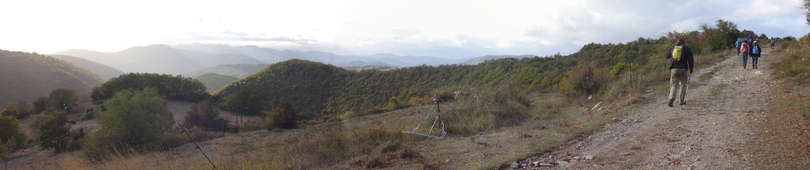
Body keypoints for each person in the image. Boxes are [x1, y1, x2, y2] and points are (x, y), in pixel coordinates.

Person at [665, 39, 694, 107]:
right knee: (683, 84)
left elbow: (667, 56)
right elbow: (690, 59)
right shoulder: (686, 48)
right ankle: (681, 101)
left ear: (677, 42)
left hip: (674, 68)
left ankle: (672, 97)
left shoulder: (673, 47)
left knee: (674, 84)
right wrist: (691, 68)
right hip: (683, 69)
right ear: (684, 43)